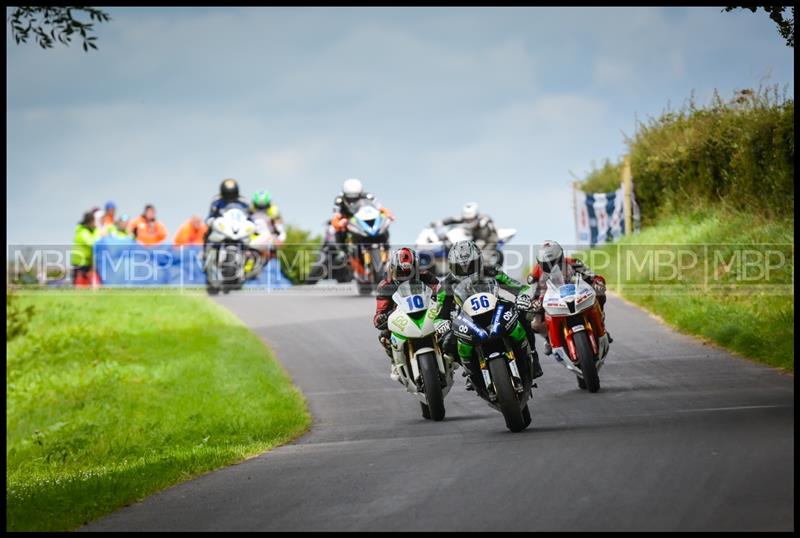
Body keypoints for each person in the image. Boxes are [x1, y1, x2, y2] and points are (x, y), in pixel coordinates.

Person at [433, 240, 543, 387]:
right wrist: (440, 322)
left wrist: (523, 297)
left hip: (496, 310)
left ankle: (533, 356)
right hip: (467, 319)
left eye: (471, 265)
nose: (466, 271)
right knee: (447, 342)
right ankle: (471, 372)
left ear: (479, 262)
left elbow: (519, 287)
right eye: (460, 268)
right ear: (452, 267)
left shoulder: (491, 271)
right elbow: (439, 312)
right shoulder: (446, 284)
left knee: (524, 314)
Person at [526, 240, 611, 355]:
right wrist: (534, 302)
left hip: (574, 292)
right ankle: (548, 338)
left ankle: (600, 323)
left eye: (556, 262)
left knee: (599, 293)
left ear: (561, 257)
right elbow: (533, 290)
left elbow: (592, 275)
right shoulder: (536, 271)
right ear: (540, 263)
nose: (552, 267)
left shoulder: (573, 262)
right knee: (533, 322)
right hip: (550, 297)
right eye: (547, 264)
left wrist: (598, 282)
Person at [373, 247, 440, 379]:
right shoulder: (385, 286)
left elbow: (441, 292)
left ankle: (451, 356)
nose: (405, 277)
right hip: (401, 317)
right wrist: (381, 318)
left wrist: (441, 301)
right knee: (384, 336)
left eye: (410, 272)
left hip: (426, 312)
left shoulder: (426, 276)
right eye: (401, 273)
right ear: (392, 270)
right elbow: (379, 314)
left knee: (447, 325)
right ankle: (395, 361)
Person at [330, 178, 395, 250]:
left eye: (356, 197)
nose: (353, 201)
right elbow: (335, 217)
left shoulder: (368, 197)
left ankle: (386, 248)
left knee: (382, 226)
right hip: (348, 221)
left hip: (363, 221)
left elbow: (381, 208)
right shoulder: (339, 200)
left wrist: (389, 214)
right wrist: (339, 224)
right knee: (340, 231)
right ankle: (345, 251)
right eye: (350, 198)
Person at [431, 202, 500, 256]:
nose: (468, 222)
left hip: (489, 240)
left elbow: (480, 241)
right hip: (474, 237)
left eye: (470, 220)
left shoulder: (483, 223)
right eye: (466, 220)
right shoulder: (465, 218)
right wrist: (439, 223)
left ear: (476, 216)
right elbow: (452, 219)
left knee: (483, 260)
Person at [70, 208, 101, 286]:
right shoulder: (82, 232)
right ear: (89, 222)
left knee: (87, 284)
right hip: (80, 263)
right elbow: (93, 242)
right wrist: (99, 232)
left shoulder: (91, 231)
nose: (95, 223)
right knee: (79, 284)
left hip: (87, 263)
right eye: (94, 221)